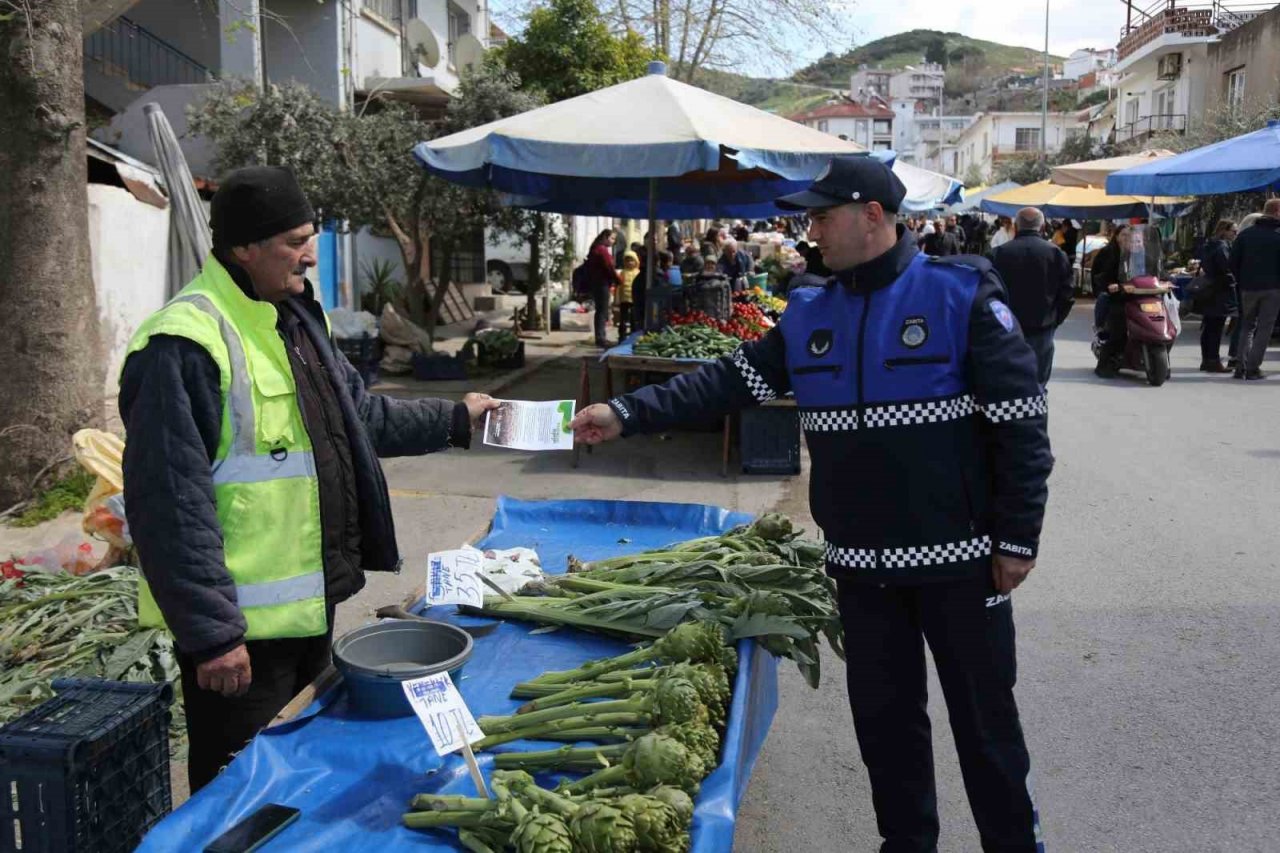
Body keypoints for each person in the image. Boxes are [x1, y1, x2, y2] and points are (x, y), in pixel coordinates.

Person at [571, 155, 1051, 852]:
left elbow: (1021, 425)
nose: (812, 231)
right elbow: (724, 383)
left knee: (987, 731)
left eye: (823, 216)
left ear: (873, 216)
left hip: (962, 564)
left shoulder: (960, 295)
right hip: (862, 572)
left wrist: (1016, 538)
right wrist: (625, 412)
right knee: (887, 733)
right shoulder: (809, 312)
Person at [118, 166, 500, 793]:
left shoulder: (293, 320)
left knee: (299, 783)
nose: (310, 255)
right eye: (295, 241)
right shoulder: (182, 344)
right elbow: (170, 505)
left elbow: (360, 417)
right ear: (245, 247)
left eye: (312, 238)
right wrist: (213, 635)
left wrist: (457, 419)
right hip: (241, 640)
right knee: (244, 795)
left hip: (308, 615)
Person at [991, 207, 1074, 386]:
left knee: (1008, 380)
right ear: (1043, 227)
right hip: (1042, 326)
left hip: (1007, 327)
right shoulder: (1056, 254)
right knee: (1038, 382)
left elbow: (988, 294)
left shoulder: (998, 254)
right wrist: (1055, 319)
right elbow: (1067, 294)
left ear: (1016, 226)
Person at [1228, 199, 1280, 380]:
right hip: (1273, 289)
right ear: (1277, 211)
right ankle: (1253, 368)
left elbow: (1232, 262)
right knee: (1264, 329)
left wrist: (1242, 279)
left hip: (1248, 288)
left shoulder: (1245, 235)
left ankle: (1240, 367)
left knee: (1247, 326)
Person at [1197, 220, 1238, 373]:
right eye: (1233, 231)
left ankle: (1206, 360)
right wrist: (1234, 281)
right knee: (1215, 327)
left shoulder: (1209, 245)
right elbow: (1226, 269)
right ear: (1224, 231)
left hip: (1209, 290)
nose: (1235, 234)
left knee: (1209, 327)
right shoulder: (1222, 247)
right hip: (1220, 291)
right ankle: (1213, 360)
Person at [587, 229, 622, 347]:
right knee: (602, 311)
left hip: (597, 283)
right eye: (612, 238)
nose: (613, 241)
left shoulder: (595, 248)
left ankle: (600, 337)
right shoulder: (602, 250)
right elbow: (609, 267)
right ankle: (601, 338)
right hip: (602, 283)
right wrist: (618, 280)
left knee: (600, 311)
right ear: (605, 237)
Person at [617, 250, 640, 340]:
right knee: (623, 319)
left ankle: (633, 336)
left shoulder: (637, 272)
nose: (629, 263)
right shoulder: (622, 273)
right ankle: (622, 336)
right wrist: (617, 299)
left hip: (634, 298)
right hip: (624, 299)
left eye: (631, 260)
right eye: (627, 261)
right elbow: (619, 287)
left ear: (636, 261)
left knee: (633, 319)